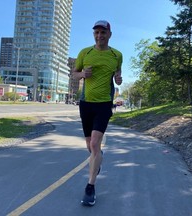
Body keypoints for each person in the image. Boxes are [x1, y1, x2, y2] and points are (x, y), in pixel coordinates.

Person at [72, 20, 123, 206]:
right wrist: (82, 75)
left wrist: (119, 79)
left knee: (94, 143)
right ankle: (97, 157)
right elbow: (74, 73)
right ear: (93, 35)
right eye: (96, 32)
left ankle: (90, 187)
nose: (99, 35)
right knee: (90, 146)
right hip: (85, 104)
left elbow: (118, 78)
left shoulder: (116, 55)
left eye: (103, 32)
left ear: (109, 34)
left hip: (104, 104)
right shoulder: (85, 53)